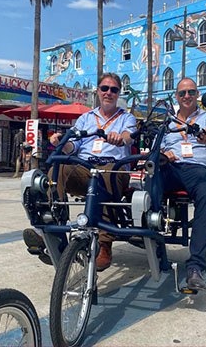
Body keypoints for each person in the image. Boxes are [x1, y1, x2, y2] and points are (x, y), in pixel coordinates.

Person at [26, 72, 136, 271]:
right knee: (56, 169)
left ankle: (104, 244)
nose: (108, 93)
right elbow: (73, 146)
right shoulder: (86, 118)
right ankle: (53, 228)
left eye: (113, 89)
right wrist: (62, 142)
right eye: (105, 88)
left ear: (118, 93)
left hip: (113, 166)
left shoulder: (126, 117)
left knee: (106, 176)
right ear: (98, 92)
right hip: (85, 166)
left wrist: (120, 138)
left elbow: (129, 135)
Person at [159, 77, 206, 291]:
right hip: (172, 166)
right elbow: (158, 146)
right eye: (182, 93)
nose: (187, 96)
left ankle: (195, 267)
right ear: (177, 96)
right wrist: (164, 153)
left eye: (191, 92)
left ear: (197, 95)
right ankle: (154, 241)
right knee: (146, 185)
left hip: (197, 169)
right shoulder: (168, 122)